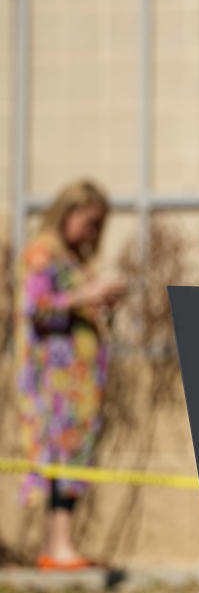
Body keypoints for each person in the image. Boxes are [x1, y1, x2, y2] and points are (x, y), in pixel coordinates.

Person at [15, 179, 127, 570]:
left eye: (100, 225)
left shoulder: (73, 258)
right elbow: (36, 306)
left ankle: (59, 545)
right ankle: (58, 546)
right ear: (69, 211)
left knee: (73, 458)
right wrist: (90, 295)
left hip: (77, 385)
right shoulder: (44, 251)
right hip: (55, 383)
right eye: (90, 221)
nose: (94, 232)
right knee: (59, 458)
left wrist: (100, 299)